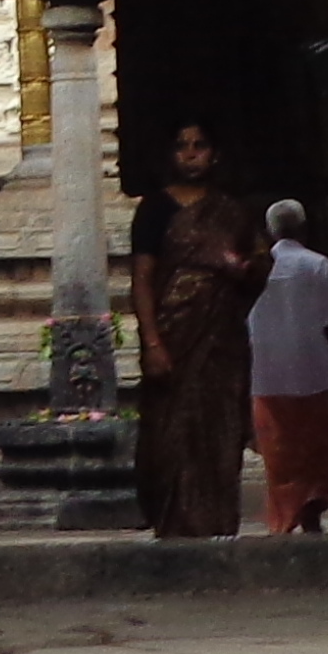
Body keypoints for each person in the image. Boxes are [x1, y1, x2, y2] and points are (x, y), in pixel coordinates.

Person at [126, 122, 265, 543]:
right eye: (182, 146)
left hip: (222, 338)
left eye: (200, 146)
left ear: (215, 154)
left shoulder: (232, 211)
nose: (191, 154)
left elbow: (258, 266)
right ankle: (174, 526)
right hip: (174, 332)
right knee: (169, 435)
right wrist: (152, 342)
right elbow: (143, 278)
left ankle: (216, 522)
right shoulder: (155, 209)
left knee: (217, 429)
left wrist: (238, 267)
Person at [248, 200, 328, 536]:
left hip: (266, 372)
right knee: (317, 445)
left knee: (278, 451)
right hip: (313, 370)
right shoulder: (317, 265)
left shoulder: (256, 269)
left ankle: (285, 515)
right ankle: (312, 502)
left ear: (269, 232)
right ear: (305, 229)